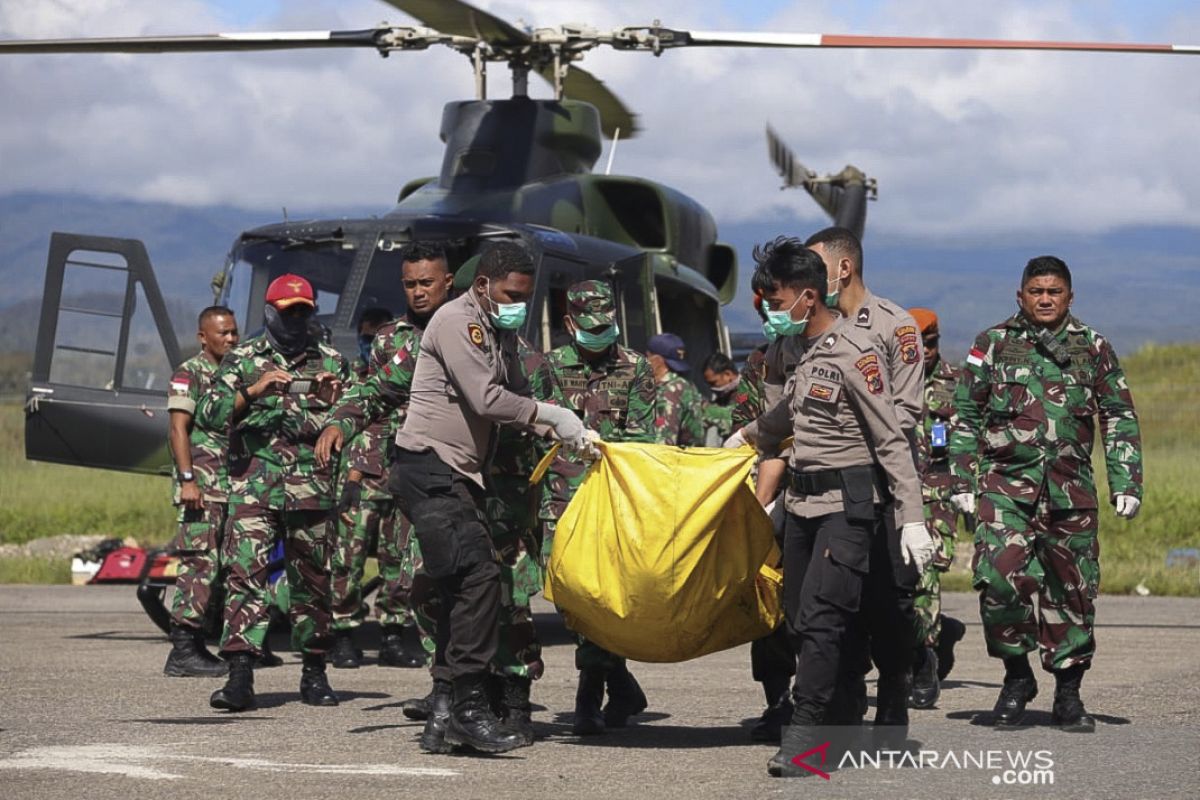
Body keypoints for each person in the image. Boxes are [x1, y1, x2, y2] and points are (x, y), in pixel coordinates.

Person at [737, 239, 934, 777]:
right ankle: (846, 716)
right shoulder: (794, 348)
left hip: (851, 505)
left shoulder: (857, 351)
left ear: (806, 297)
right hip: (802, 502)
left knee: (826, 618)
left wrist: (912, 516)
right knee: (801, 620)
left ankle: (807, 738)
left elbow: (893, 436)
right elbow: (783, 416)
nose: (771, 314)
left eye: (776, 303)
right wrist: (744, 439)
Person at [385, 240, 590, 755]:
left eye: (524, 295)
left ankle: (445, 713)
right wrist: (553, 415)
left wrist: (564, 435)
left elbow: (520, 394)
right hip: (430, 468)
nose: (517, 303)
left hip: (455, 475)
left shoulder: (500, 332)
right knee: (477, 578)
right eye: (509, 293)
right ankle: (467, 710)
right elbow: (488, 398)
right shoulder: (459, 322)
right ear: (482, 286)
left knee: (460, 588)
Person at [949, 256, 1143, 732]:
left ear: (1069, 297)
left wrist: (1126, 481)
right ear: (1021, 296)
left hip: (1070, 493)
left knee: (1071, 593)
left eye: (1054, 292)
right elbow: (965, 416)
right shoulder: (992, 344)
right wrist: (961, 480)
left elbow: (1117, 414)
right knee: (998, 580)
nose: (1045, 299)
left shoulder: (1093, 347)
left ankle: (1069, 694)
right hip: (1005, 492)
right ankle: (1017, 677)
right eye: (1036, 291)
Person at [198, 274, 350, 712]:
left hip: (311, 489)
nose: (297, 319)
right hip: (254, 487)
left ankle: (314, 672)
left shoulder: (331, 362)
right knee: (245, 577)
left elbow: (354, 412)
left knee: (313, 582)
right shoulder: (243, 359)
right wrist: (254, 390)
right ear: (269, 313)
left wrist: (336, 410)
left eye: (304, 310)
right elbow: (209, 414)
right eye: (289, 312)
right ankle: (240, 676)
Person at [805, 226, 925, 733]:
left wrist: (855, 441)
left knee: (890, 603)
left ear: (843, 268)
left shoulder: (894, 326)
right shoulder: (813, 330)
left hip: (887, 488)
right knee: (835, 604)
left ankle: (894, 696)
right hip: (838, 495)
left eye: (816, 267)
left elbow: (907, 413)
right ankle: (844, 705)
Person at [530, 280, 657, 736]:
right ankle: (619, 683)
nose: (600, 334)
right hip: (561, 501)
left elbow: (644, 438)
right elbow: (535, 428)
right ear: (569, 324)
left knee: (602, 598)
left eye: (606, 326)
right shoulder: (549, 367)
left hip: (610, 501)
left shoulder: (636, 368)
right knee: (569, 599)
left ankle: (589, 695)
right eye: (590, 326)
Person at [325, 246, 452, 670]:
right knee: (352, 551)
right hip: (377, 461)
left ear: (446, 283)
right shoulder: (390, 338)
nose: (418, 292)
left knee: (403, 556)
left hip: (428, 464)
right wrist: (358, 464)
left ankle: (395, 630)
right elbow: (375, 399)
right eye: (410, 284)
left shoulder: (463, 331)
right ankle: (343, 630)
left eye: (426, 283)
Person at [162, 306, 240, 678]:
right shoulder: (189, 374)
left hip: (230, 485)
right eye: (222, 333)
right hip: (202, 487)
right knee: (199, 564)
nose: (230, 339)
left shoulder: (236, 374)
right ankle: (183, 649)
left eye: (233, 333)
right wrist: (188, 479)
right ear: (203, 337)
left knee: (223, 568)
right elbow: (178, 429)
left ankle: (221, 644)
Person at [906, 307, 968, 709]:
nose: (926, 352)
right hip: (896, 494)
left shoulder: (957, 383)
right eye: (917, 345)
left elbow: (970, 442)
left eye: (931, 344)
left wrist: (970, 493)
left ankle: (923, 663)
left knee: (923, 575)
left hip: (939, 496)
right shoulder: (887, 382)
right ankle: (938, 634)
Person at [646, 333, 705, 446]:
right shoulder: (683, 384)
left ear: (657, 360)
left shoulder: (671, 390)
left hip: (677, 460)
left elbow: (663, 442)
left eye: (648, 356)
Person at [700, 352, 739, 443]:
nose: (712, 388)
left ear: (727, 374)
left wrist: (708, 409)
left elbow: (733, 416)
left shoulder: (746, 391)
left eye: (714, 383)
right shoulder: (723, 396)